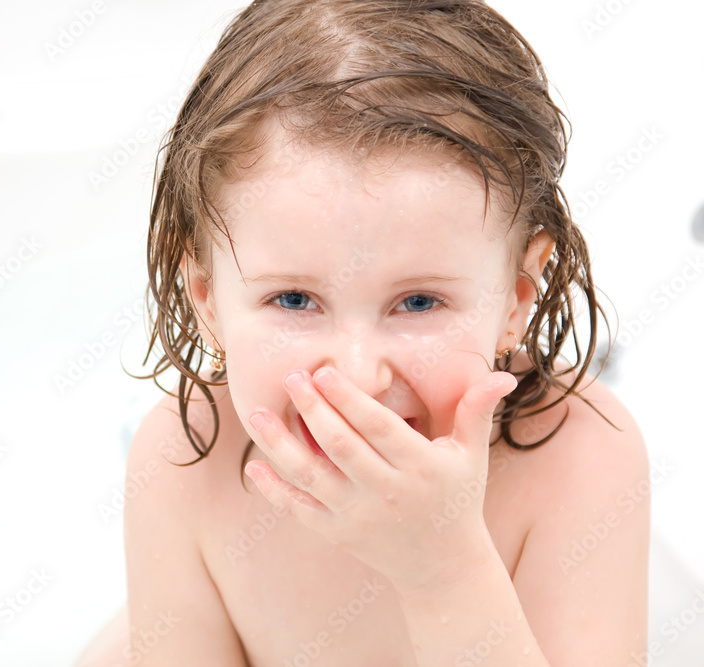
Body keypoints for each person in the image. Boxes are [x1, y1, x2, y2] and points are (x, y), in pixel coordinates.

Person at [78, 1, 649, 664]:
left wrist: (443, 569)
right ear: (207, 299)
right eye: (294, 299)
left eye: (419, 302)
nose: (356, 376)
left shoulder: (582, 458)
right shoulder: (183, 461)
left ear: (517, 298)